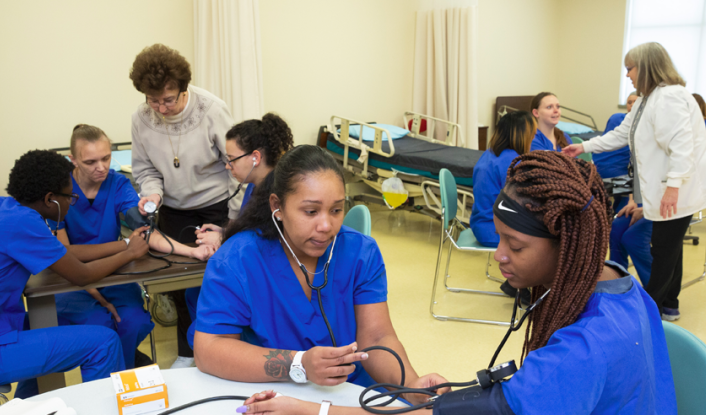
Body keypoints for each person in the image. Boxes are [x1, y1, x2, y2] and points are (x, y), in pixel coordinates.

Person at [238, 151, 676, 415]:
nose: (498, 255)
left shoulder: (583, 351)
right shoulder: (624, 288)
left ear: (567, 247)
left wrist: (311, 410)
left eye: (516, 246)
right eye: (499, 239)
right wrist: (412, 388)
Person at [193, 146, 443, 405]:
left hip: (353, 394)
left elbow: (378, 338)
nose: (326, 226)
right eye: (311, 212)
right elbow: (209, 349)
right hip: (276, 396)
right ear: (277, 206)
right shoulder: (238, 260)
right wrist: (298, 364)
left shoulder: (360, 253)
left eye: (336, 210)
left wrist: (410, 387)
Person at [0, 150, 148, 398]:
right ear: (50, 199)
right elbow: (82, 275)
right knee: (104, 342)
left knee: (56, 322)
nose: (71, 204)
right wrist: (129, 254)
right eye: (70, 197)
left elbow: (62, 252)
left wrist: (125, 244)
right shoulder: (22, 223)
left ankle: (29, 405)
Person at [48, 124, 214, 371]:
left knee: (133, 322)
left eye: (106, 158)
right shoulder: (59, 191)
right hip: (73, 281)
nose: (101, 167)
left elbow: (144, 232)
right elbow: (65, 253)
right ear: (72, 159)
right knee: (99, 326)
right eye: (90, 161)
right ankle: (108, 385)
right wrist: (100, 289)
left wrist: (191, 251)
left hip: (115, 275)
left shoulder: (117, 184)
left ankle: (122, 379)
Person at [564, 42, 706, 321]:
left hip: (676, 190)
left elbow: (682, 146)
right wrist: (583, 147)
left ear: (647, 67)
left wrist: (673, 187)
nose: (627, 74)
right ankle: (669, 305)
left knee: (663, 251)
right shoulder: (646, 100)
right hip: (667, 188)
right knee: (671, 249)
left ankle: (648, 312)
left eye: (630, 68)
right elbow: (620, 135)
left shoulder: (670, 97)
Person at [129, 44, 240, 367]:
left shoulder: (212, 110)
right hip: (173, 209)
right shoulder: (141, 118)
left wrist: (230, 223)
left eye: (168, 99)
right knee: (178, 285)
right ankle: (187, 353)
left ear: (183, 89)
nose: (161, 109)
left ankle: (222, 351)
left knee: (214, 283)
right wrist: (153, 194)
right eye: (153, 100)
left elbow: (236, 165)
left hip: (217, 206)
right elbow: (145, 168)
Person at [184, 113, 295, 347]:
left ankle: (217, 348)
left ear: (255, 157)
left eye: (232, 159)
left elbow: (263, 242)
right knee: (193, 293)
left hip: (270, 282)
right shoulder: (254, 188)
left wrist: (226, 238)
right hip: (256, 269)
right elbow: (253, 229)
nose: (228, 165)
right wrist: (224, 232)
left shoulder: (276, 196)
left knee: (195, 327)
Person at [470, 111, 536, 303]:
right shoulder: (512, 161)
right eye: (532, 132)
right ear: (521, 133)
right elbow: (525, 201)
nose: (534, 136)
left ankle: (516, 284)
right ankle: (524, 287)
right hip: (494, 230)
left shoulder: (490, 154)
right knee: (549, 238)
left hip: (481, 223)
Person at [592, 92, 638, 182]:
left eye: (635, 102)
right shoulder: (616, 118)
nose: (632, 105)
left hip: (603, 169)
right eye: (629, 102)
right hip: (610, 169)